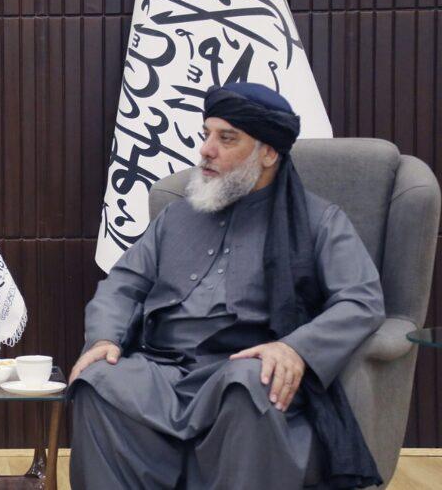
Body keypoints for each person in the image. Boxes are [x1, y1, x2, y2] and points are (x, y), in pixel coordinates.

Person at [69, 82, 385, 489]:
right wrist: (103, 338)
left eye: (227, 138)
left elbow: (361, 300)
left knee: (251, 382)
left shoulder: (319, 221)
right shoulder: (176, 217)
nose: (206, 149)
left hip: (240, 368)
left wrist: (295, 348)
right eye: (206, 135)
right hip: (163, 372)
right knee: (98, 380)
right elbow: (124, 284)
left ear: (268, 153)